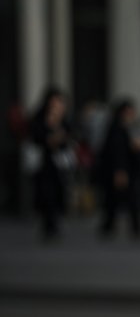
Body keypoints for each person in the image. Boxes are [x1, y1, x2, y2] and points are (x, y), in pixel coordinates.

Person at [25, 85, 75, 239]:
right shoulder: (39, 118)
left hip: (58, 163)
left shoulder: (64, 119)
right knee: (46, 194)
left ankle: (53, 223)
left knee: (58, 192)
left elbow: (69, 137)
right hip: (43, 163)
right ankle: (48, 224)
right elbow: (36, 136)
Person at [93, 98, 140, 238]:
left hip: (132, 169)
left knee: (130, 199)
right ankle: (110, 226)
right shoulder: (116, 129)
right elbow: (115, 151)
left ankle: (132, 227)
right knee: (115, 199)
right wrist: (119, 170)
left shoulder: (133, 127)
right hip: (119, 169)